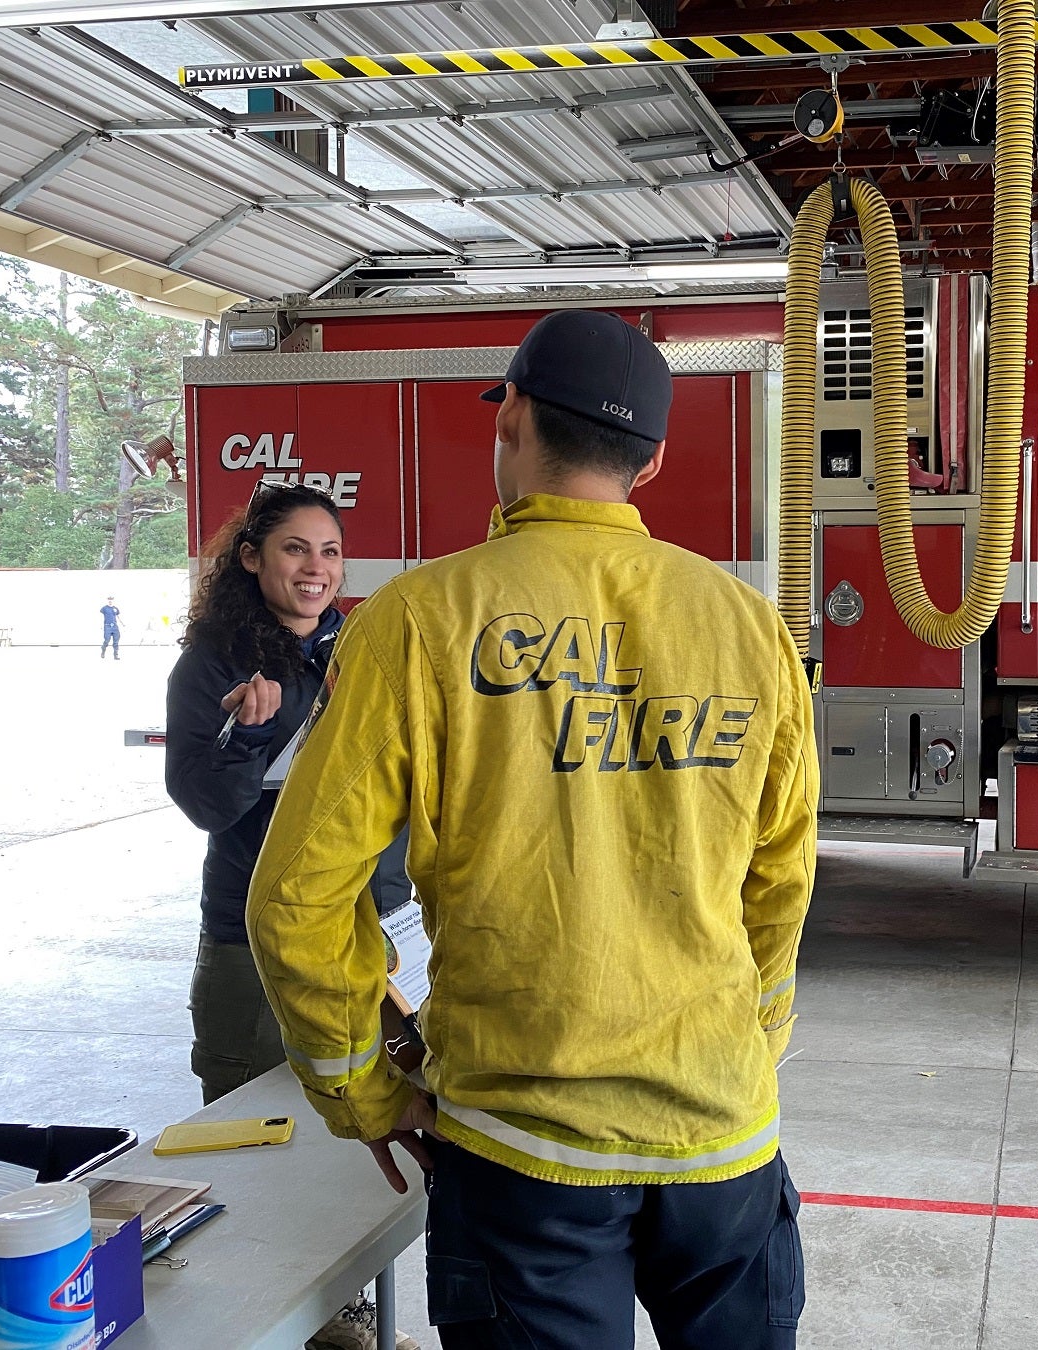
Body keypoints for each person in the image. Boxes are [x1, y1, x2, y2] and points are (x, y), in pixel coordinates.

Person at [246, 310, 819, 1350]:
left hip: (522, 1151)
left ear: (509, 416)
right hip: (724, 1142)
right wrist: (747, 1046)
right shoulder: (751, 627)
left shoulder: (420, 621)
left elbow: (296, 897)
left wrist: (366, 1088)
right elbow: (779, 883)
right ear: (648, 464)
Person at [164, 481, 418, 1350]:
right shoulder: (214, 663)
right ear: (251, 558)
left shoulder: (359, 650)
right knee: (255, 1142)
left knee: (358, 1124)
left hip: (359, 934)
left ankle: (346, 1319)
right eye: (295, 549)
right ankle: (265, 1319)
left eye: (331, 552)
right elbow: (204, 802)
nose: (317, 570)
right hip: (249, 940)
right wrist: (249, 735)